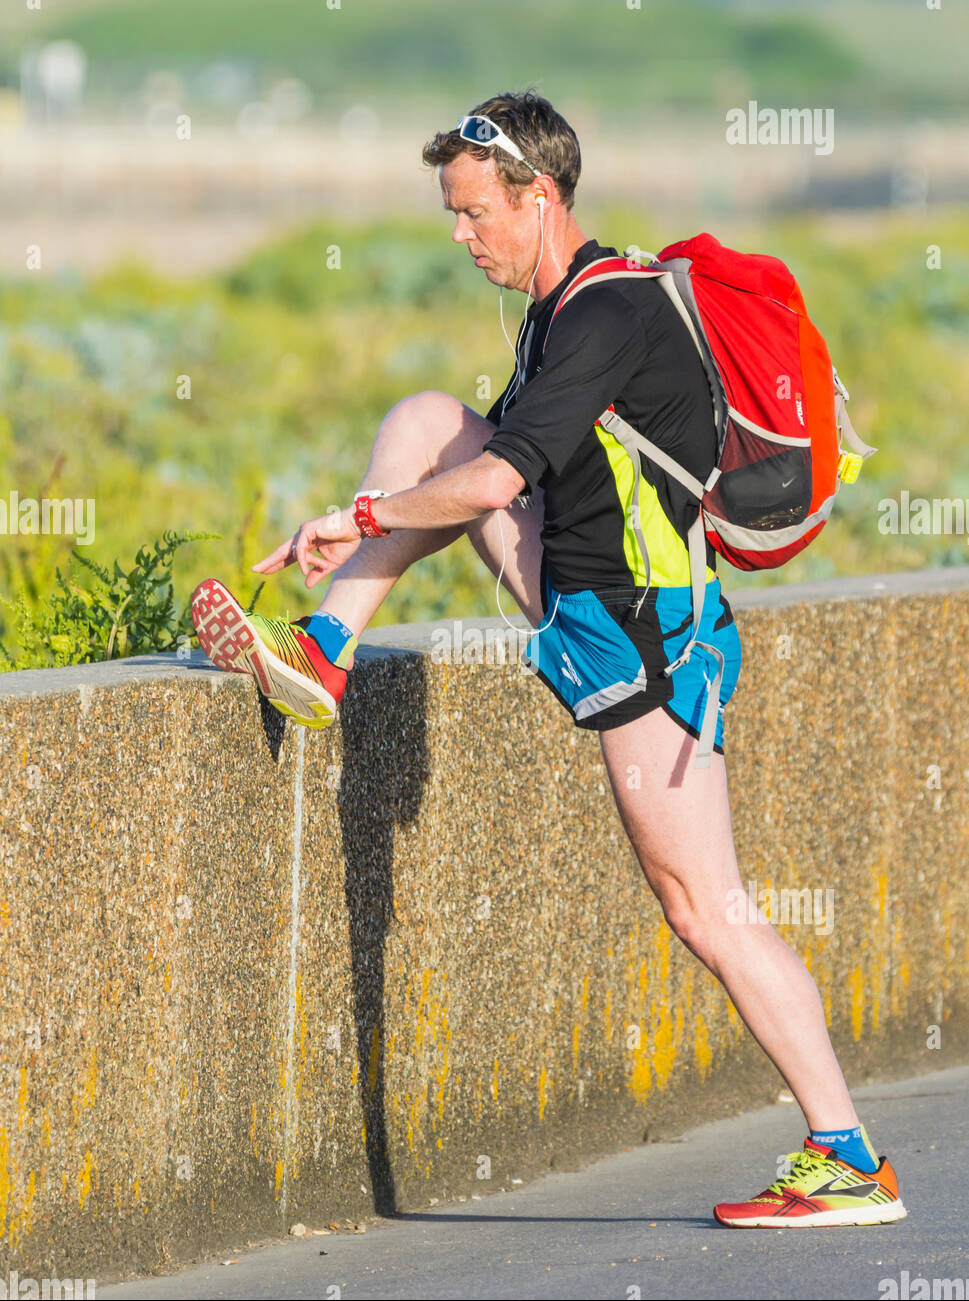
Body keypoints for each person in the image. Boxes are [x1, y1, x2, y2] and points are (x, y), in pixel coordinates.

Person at [191, 90, 905, 1229]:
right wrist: (372, 514)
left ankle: (848, 1154)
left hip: (649, 642)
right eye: (451, 215)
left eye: (477, 214)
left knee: (704, 907)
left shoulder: (605, 313)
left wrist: (353, 514)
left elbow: (493, 486)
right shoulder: (559, 310)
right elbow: (482, 467)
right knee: (433, 416)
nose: (462, 237)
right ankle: (326, 651)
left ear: (541, 196)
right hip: (586, 599)